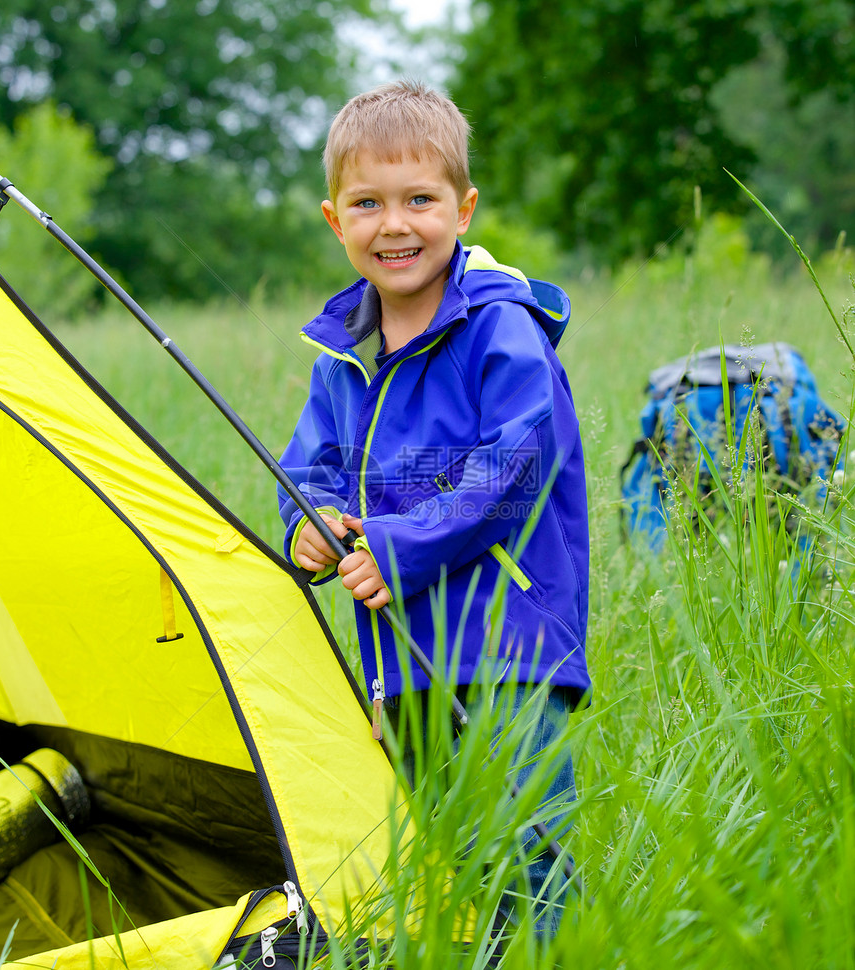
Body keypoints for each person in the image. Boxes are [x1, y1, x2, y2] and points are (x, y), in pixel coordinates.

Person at [277, 79, 590, 935]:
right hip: (400, 660)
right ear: (336, 221)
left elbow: (517, 470)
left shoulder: (501, 330)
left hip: (508, 645)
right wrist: (309, 520)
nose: (396, 224)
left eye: (421, 199)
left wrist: (400, 545)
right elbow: (313, 465)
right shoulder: (341, 354)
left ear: (464, 208)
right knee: (446, 856)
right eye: (368, 203)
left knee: (527, 849)